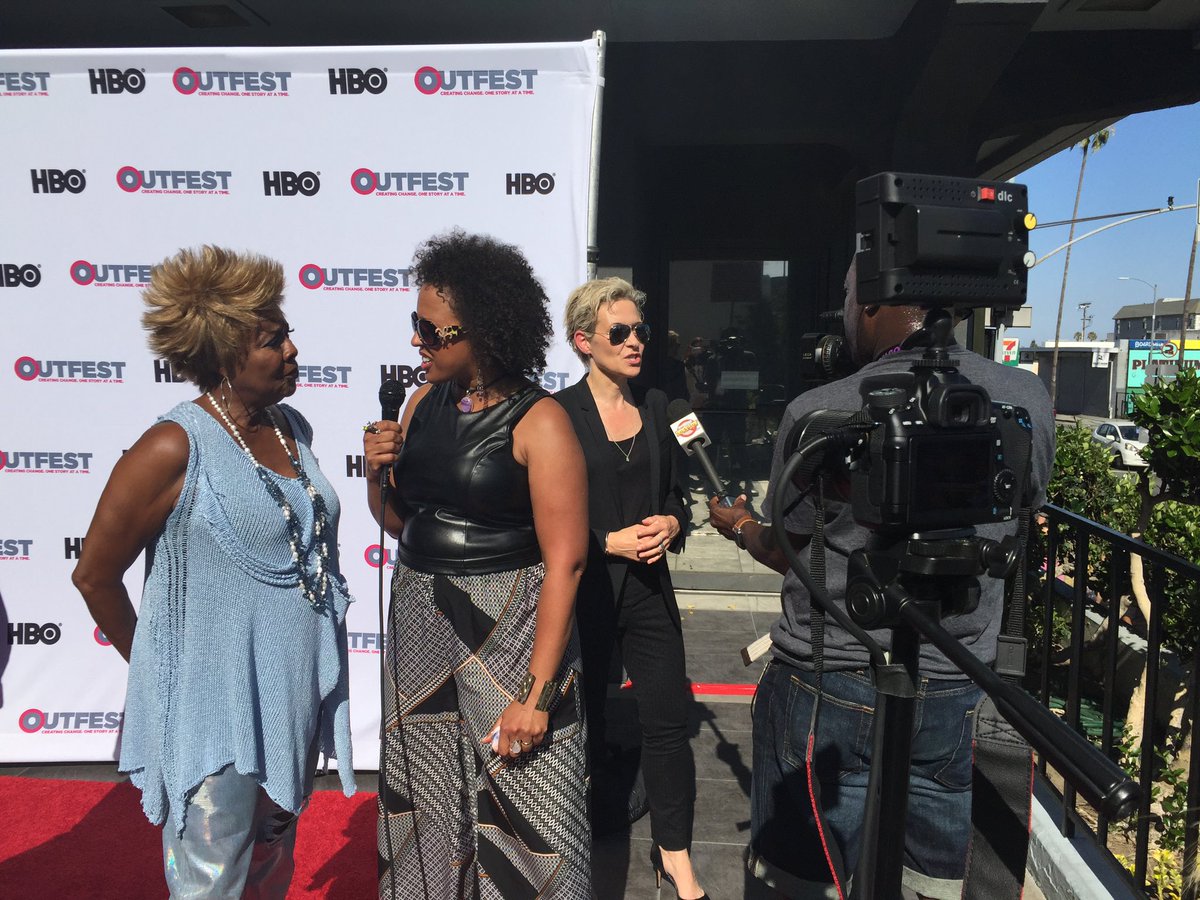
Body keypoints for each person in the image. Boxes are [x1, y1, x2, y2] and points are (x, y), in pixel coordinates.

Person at [709, 260, 1055, 899]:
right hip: (961, 685)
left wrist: (737, 525)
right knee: (936, 887)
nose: (843, 312)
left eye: (845, 296)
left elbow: (788, 548)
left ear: (870, 304)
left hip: (829, 679)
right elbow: (1019, 516)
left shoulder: (822, 411)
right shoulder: (1025, 401)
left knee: (800, 883)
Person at [72, 245, 356, 898]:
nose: (291, 349)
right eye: (272, 339)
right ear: (226, 354)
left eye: (286, 332)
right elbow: (94, 574)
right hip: (213, 715)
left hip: (287, 705)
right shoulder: (174, 446)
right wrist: (166, 675)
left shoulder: (290, 428)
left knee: (265, 870)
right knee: (208, 883)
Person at [362, 230, 590, 898]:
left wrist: (539, 695)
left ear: (483, 331)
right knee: (425, 805)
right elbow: (403, 522)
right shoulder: (419, 405)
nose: (418, 343)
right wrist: (378, 476)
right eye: (416, 327)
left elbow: (567, 562)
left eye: (432, 332)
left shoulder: (540, 421)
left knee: (530, 803)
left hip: (507, 626)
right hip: (421, 617)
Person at [555, 277, 705, 900]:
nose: (637, 341)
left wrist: (673, 520)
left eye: (641, 329)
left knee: (668, 722)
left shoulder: (660, 407)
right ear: (583, 340)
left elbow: (676, 494)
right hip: (585, 591)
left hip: (648, 591)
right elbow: (544, 522)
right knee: (580, 723)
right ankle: (571, 848)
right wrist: (606, 542)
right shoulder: (557, 415)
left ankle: (676, 855)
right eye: (621, 331)